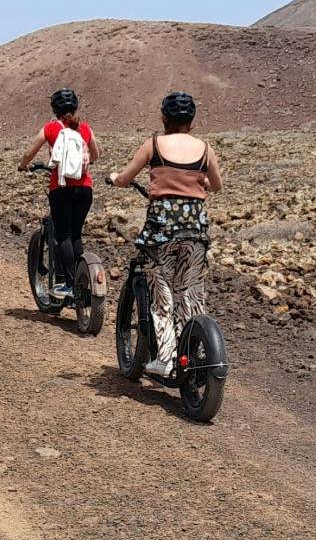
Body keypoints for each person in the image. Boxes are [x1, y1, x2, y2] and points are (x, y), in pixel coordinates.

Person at [105, 91, 224, 373]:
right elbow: (216, 185)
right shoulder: (205, 149)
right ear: (192, 121)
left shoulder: (154, 145)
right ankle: (193, 355)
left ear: (164, 118)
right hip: (195, 228)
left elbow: (125, 178)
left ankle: (167, 358)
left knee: (162, 292)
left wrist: (114, 179)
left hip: (162, 229)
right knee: (191, 292)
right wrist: (198, 180)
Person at [17, 88, 98, 296]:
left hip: (61, 189)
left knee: (64, 236)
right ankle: (84, 283)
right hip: (84, 189)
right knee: (76, 236)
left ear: (54, 109)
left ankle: (70, 285)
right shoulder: (85, 128)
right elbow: (96, 154)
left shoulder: (51, 128)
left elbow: (30, 152)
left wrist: (23, 165)